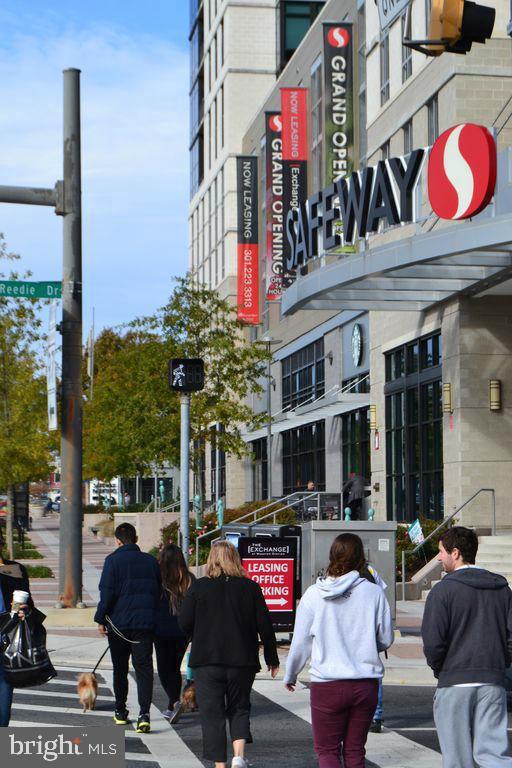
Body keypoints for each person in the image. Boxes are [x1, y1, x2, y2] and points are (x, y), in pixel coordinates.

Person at [284, 533, 394, 768]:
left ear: (332, 556)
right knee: (355, 752)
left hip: (328, 684)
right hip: (365, 683)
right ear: (361, 558)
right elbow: (385, 638)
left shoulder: (314, 594)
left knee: (327, 752)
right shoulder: (374, 593)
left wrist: (291, 673)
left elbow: (301, 642)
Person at [179, 540, 279, 768]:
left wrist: (197, 632)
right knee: (240, 707)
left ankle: (220, 765)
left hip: (207, 660)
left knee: (212, 714)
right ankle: (238, 757)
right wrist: (271, 658)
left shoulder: (199, 587)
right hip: (242, 660)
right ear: (235, 560)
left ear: (211, 559)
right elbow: (265, 626)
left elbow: (184, 622)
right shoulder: (250, 587)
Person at [422, 526, 512, 768]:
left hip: (455, 681)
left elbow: (433, 642)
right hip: (492, 680)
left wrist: (442, 669)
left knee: (457, 760)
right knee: (495, 757)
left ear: (455, 553)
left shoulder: (442, 591)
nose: (439, 557)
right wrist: (501, 663)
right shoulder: (502, 589)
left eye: (441, 552)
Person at [94, 522, 161, 734]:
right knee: (144, 668)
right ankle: (144, 714)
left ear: (118, 540)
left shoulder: (112, 561)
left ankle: (121, 710)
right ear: (136, 538)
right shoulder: (151, 561)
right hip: (144, 624)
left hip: (119, 625)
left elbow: (107, 594)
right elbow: (158, 591)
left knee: (120, 668)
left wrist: (100, 619)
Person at [154, 543, 195, 724]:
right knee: (175, 667)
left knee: (164, 669)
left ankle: (174, 702)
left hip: (161, 629)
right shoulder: (189, 578)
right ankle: (173, 705)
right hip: (183, 631)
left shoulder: (157, 578)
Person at [0, 527, 33, 726]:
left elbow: (29, 607)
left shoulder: (14, 570)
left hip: (6, 644)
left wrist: (25, 610)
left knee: (3, 705)